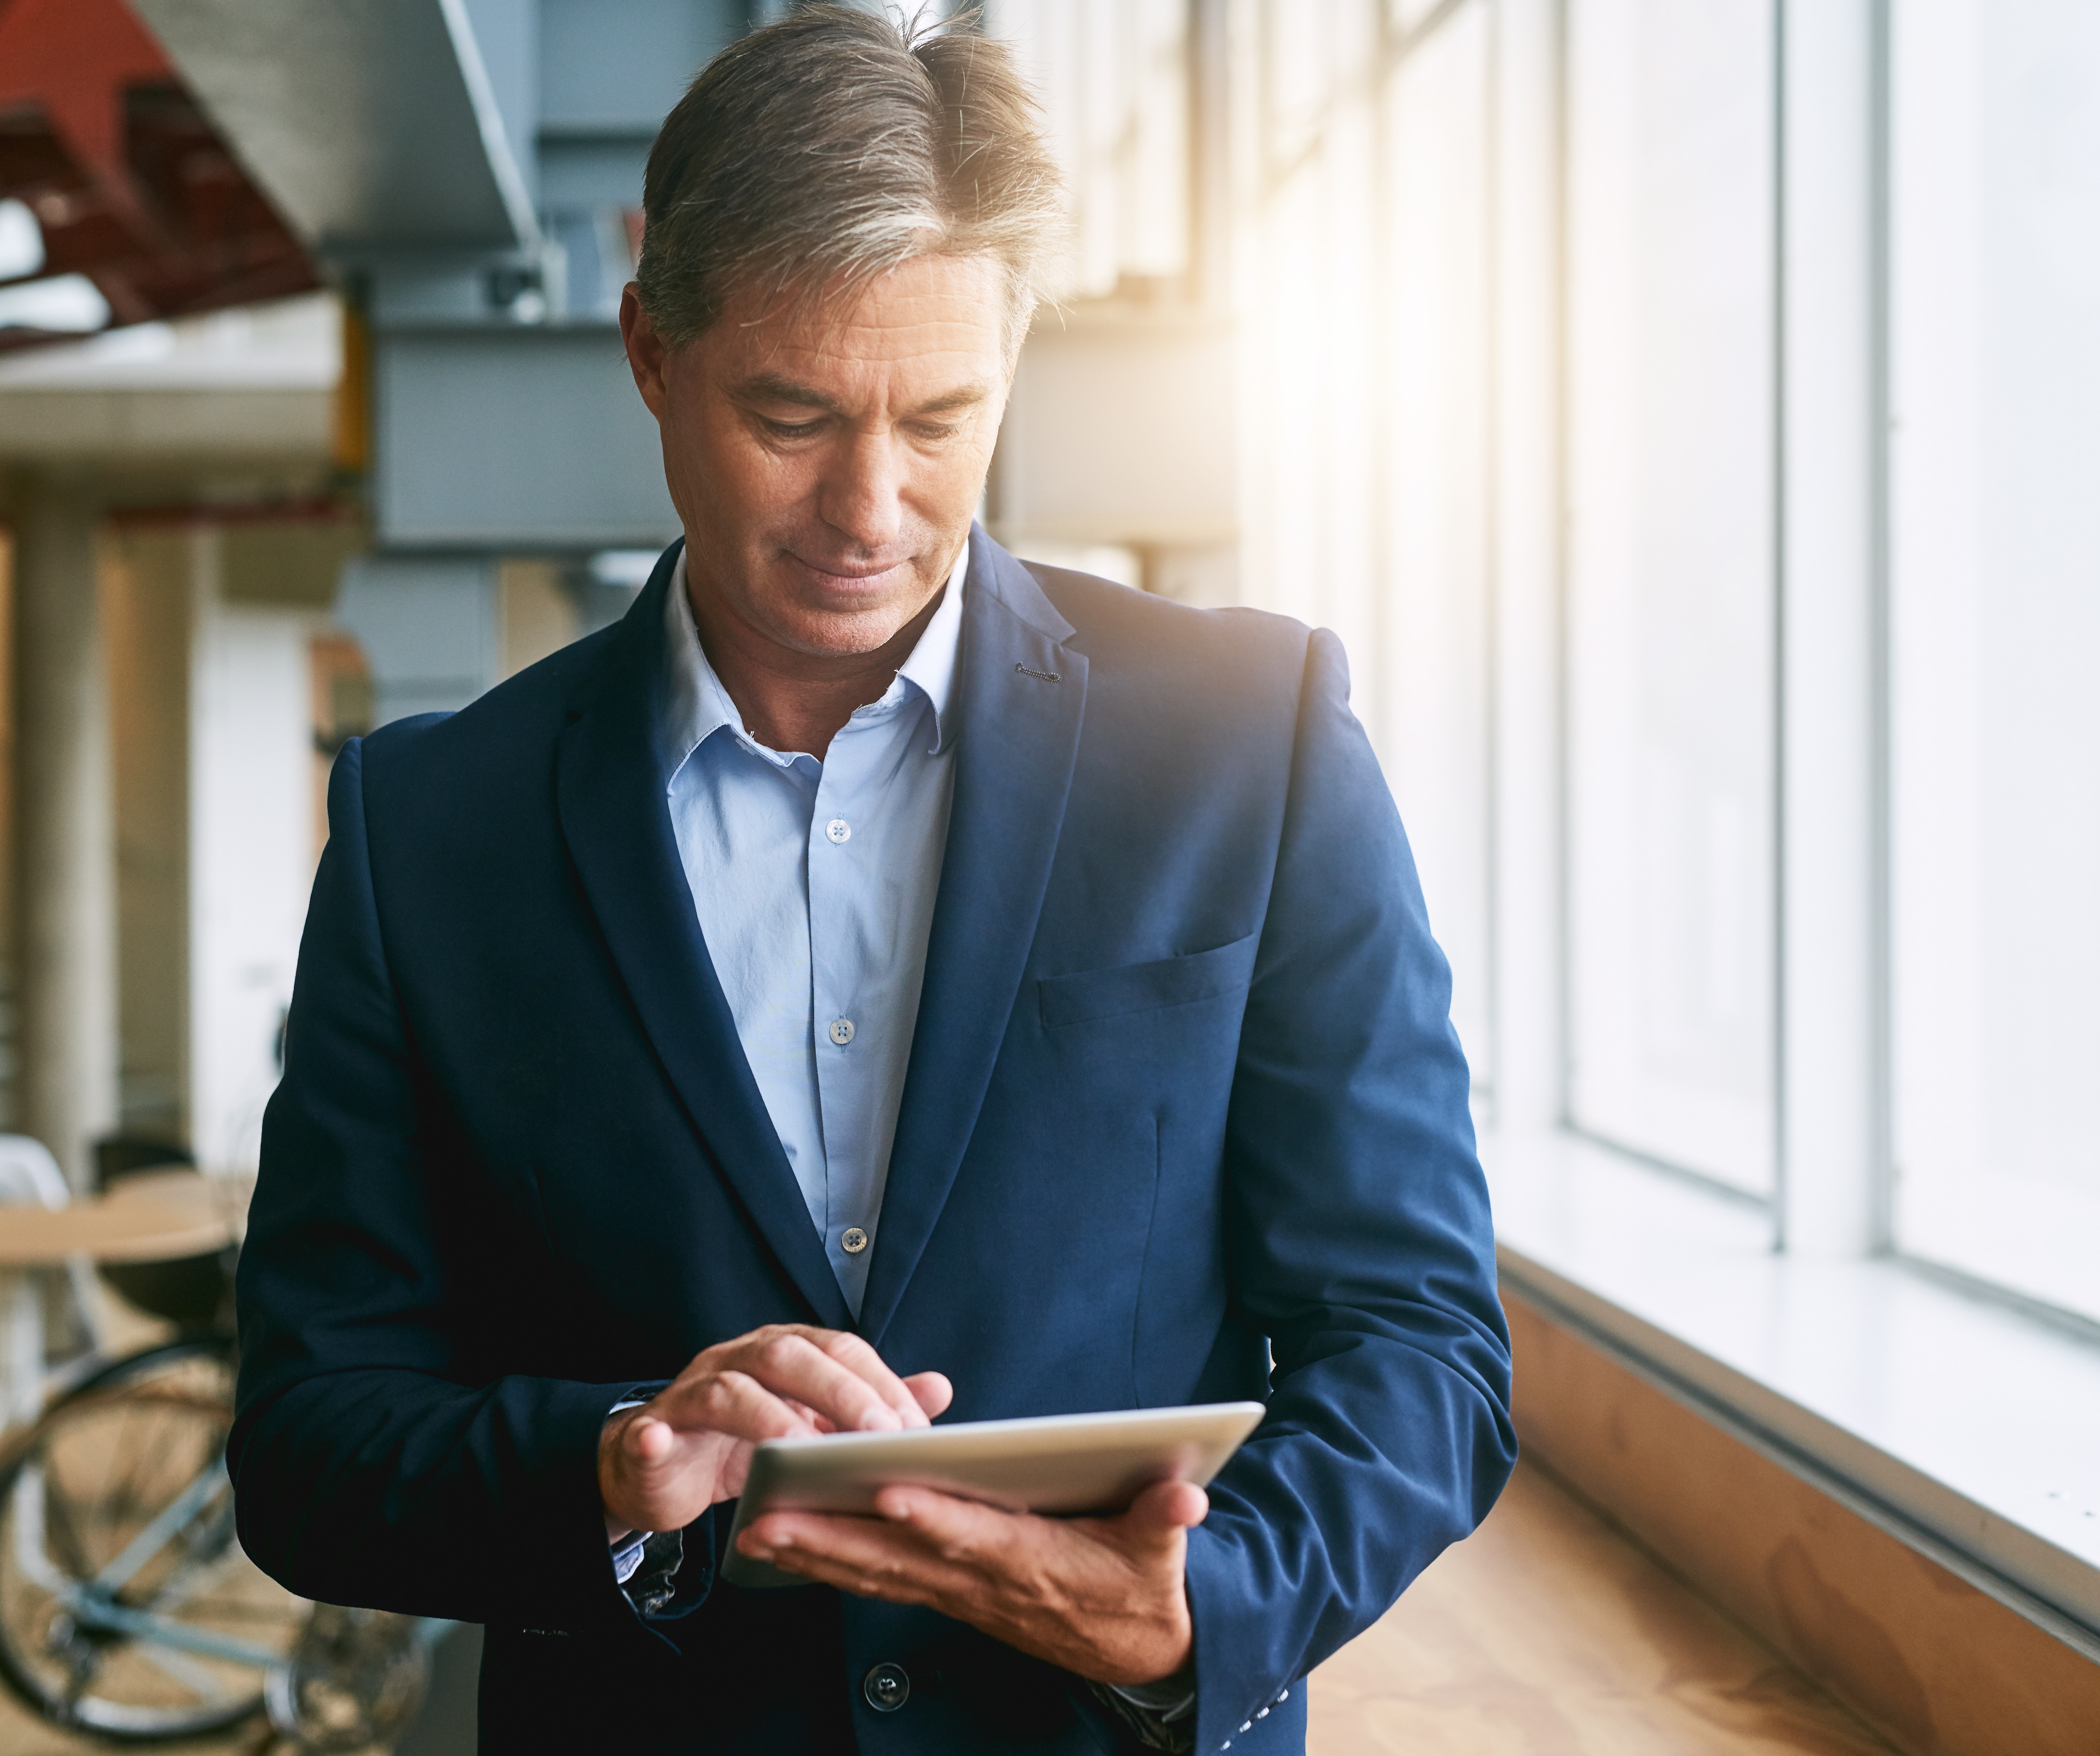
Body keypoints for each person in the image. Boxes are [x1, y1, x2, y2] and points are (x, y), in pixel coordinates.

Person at [230, 9, 1514, 1752]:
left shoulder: (1251, 741)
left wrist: (1212, 1604)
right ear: (648, 350)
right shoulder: (427, 827)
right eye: (794, 413)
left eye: (944, 417)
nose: (872, 504)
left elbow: (1420, 1337)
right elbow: (311, 1441)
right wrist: (612, 1460)